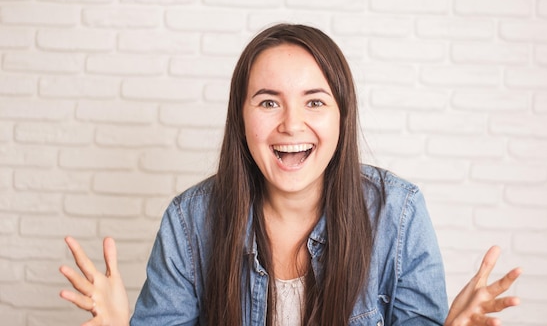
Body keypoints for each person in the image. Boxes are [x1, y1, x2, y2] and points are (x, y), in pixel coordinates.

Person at [60, 23, 521, 326]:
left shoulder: (396, 214)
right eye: (268, 101)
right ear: (240, 117)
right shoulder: (189, 223)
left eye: (315, 102)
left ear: (343, 116)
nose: (291, 124)